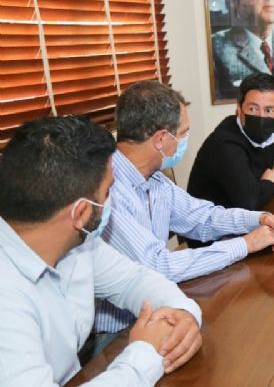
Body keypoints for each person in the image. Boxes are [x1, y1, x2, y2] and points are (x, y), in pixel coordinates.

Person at [0, 116, 202, 386]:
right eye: (109, 191)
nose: (112, 200)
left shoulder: (79, 243)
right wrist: (144, 351)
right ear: (81, 212)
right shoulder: (7, 298)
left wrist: (183, 313)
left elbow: (136, 280)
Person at [94, 80, 274, 334]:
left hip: (158, 312)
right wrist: (246, 244)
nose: (184, 141)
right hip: (117, 334)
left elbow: (204, 218)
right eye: (182, 134)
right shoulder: (106, 189)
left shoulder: (155, 181)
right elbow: (158, 266)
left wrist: (260, 219)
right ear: (161, 139)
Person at [188, 72, 274, 211]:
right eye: (252, 108)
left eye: (269, 110)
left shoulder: (270, 134)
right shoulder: (225, 143)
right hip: (210, 228)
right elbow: (249, 202)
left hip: (242, 218)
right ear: (239, 109)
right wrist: (271, 183)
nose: (261, 116)